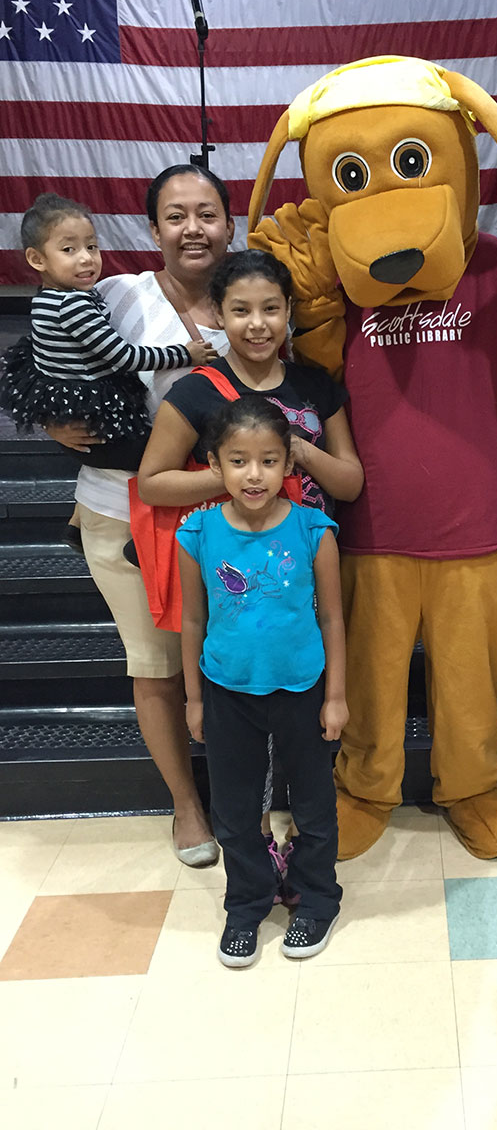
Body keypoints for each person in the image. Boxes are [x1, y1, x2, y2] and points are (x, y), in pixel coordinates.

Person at [137, 249, 363, 879]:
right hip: (239, 588)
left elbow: (349, 481)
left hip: (305, 576)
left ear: (290, 312)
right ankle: (257, 850)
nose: (257, 324)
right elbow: (152, 483)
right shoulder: (196, 392)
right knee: (243, 738)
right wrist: (233, 482)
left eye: (270, 308)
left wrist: (294, 454)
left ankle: (306, 846)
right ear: (220, 316)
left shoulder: (315, 383)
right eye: (240, 311)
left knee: (307, 725)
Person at [43, 164, 236, 864]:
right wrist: (48, 421)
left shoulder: (253, 296)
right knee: (155, 666)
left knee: (235, 658)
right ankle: (187, 806)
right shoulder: (114, 297)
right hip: (121, 512)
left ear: (229, 223)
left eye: (207, 213)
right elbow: (44, 363)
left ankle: (250, 794)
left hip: (232, 515)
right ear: (152, 230)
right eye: (176, 216)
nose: (194, 228)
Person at [178, 396, 345, 966]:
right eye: (240, 461)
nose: (255, 475)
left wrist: (338, 696)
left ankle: (317, 898)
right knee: (234, 809)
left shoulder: (313, 530)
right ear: (214, 465)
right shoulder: (197, 534)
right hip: (226, 690)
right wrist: (195, 699)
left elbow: (332, 617)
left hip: (302, 688)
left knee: (315, 803)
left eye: (270, 461)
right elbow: (193, 619)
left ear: (289, 465)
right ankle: (246, 903)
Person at [0, 191, 217, 548]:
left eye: (92, 247)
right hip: (96, 423)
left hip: (80, 415)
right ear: (37, 259)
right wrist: (185, 354)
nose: (86, 259)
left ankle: (75, 522)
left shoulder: (46, 299)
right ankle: (137, 543)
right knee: (163, 457)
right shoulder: (74, 307)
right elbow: (125, 357)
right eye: (69, 250)